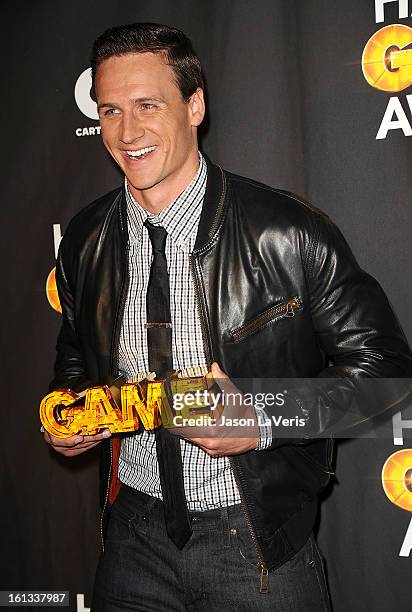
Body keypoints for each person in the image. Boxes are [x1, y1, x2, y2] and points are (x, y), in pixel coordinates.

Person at [43, 22, 412, 611]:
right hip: (132, 537)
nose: (127, 132)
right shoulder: (85, 240)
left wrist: (262, 418)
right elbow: (73, 354)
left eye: (147, 106)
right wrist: (74, 413)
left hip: (255, 543)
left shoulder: (287, 233)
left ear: (195, 106)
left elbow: (387, 372)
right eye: (110, 110)